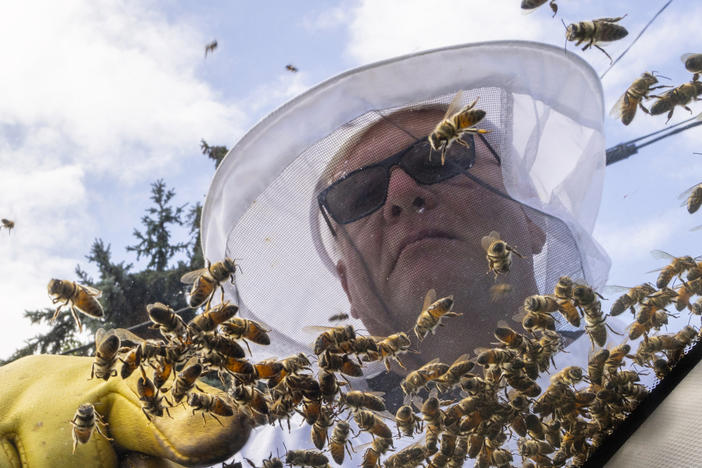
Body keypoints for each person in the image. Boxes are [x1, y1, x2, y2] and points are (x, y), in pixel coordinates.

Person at [0, 40, 610, 467]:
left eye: (437, 157)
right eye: (359, 195)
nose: (402, 193)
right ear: (348, 287)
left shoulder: (653, 382)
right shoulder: (289, 454)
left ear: (531, 219)